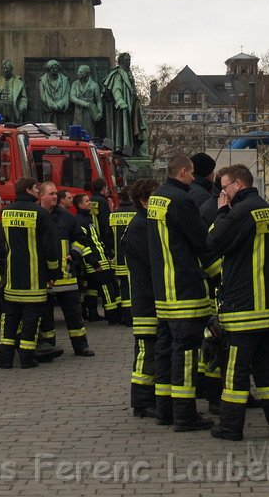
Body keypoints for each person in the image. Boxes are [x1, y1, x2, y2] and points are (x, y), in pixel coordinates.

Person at [206, 164, 269, 441]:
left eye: (225, 187)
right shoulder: (268, 209)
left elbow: (215, 241)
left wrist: (220, 212)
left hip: (245, 308)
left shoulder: (241, 211)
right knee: (268, 368)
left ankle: (231, 427)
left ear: (238, 185)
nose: (223, 192)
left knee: (236, 372)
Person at [147, 155, 214, 431]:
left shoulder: (156, 198)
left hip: (163, 289)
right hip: (185, 288)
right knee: (186, 352)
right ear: (184, 171)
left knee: (164, 349)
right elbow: (201, 240)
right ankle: (185, 415)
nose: (193, 178)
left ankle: (165, 410)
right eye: (191, 174)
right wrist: (216, 273)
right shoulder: (182, 200)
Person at [0, 177, 60, 369]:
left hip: (12, 278)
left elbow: (1, 243)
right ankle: (27, 359)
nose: (38, 191)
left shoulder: (6, 212)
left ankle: (5, 359)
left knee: (10, 320)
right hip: (34, 279)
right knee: (31, 321)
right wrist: (53, 272)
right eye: (36, 188)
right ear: (30, 190)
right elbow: (50, 246)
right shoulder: (40, 213)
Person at [38, 183, 94, 358]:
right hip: (44, 276)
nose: (55, 196)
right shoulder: (36, 216)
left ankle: (81, 346)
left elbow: (80, 239)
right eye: (51, 194)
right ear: (41, 196)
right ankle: (48, 347)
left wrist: (74, 253)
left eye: (56, 194)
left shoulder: (68, 217)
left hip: (66, 276)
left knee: (74, 314)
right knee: (45, 316)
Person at [123, 178, 161, 418]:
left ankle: (149, 396)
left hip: (151, 296)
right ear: (144, 200)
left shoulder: (147, 223)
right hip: (146, 298)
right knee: (146, 350)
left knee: (152, 348)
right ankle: (142, 400)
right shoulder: (140, 227)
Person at [74, 192, 121, 324]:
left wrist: (107, 253)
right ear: (80, 205)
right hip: (96, 262)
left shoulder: (87, 219)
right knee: (107, 289)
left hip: (101, 259)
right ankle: (113, 317)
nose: (90, 203)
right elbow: (84, 243)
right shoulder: (80, 220)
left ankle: (93, 314)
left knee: (93, 289)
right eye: (87, 201)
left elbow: (96, 240)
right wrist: (93, 262)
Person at [102, 53, 148, 156]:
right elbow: (116, 89)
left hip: (133, 105)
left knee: (138, 128)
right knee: (126, 130)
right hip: (124, 106)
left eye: (129, 60)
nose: (129, 62)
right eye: (127, 60)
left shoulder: (128, 73)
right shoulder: (118, 73)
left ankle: (136, 150)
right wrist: (120, 101)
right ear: (121, 61)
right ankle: (126, 151)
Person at [109, 188, 136, 326]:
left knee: (123, 288)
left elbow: (108, 237)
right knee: (135, 287)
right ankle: (134, 316)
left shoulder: (113, 215)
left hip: (119, 260)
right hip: (134, 260)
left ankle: (126, 317)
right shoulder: (136, 214)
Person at [70, 65, 103, 136]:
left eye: (80, 72)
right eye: (78, 72)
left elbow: (98, 100)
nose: (78, 73)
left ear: (86, 73)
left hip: (89, 114)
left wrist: (100, 112)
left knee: (89, 134)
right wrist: (83, 103)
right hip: (78, 114)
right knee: (77, 135)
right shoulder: (75, 84)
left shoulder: (94, 85)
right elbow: (72, 97)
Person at [38, 60, 71, 129]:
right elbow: (43, 96)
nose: (55, 69)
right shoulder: (42, 81)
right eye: (53, 68)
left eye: (56, 68)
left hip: (62, 111)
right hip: (48, 111)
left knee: (63, 130)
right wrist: (52, 105)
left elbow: (67, 95)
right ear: (49, 69)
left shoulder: (65, 80)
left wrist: (59, 105)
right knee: (49, 131)